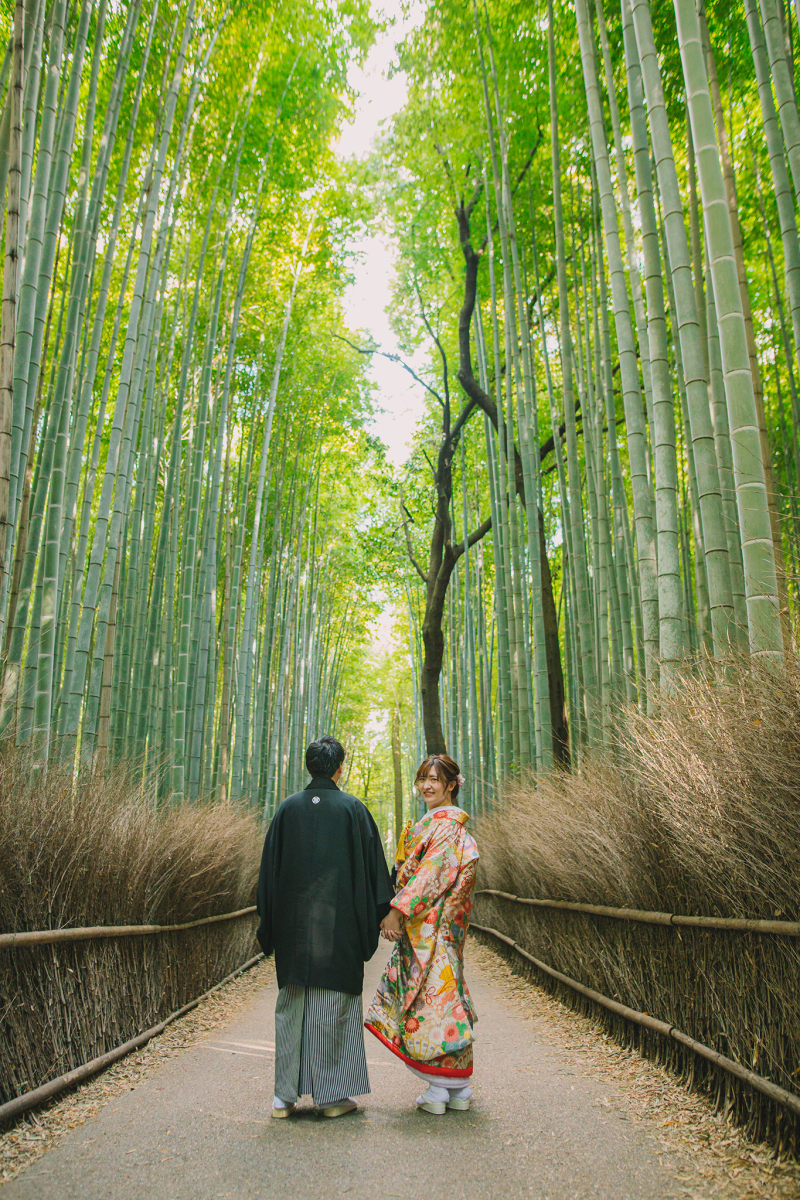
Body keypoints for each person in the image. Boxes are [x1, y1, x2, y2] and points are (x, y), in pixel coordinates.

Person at [256, 735, 393, 1119]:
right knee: (333, 1005)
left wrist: (270, 925)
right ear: (338, 768)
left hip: (293, 930)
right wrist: (383, 911)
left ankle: (283, 1097)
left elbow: (269, 872)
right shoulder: (353, 809)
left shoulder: (288, 809)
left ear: (308, 766)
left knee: (292, 1006)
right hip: (340, 928)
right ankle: (332, 1098)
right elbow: (373, 873)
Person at [365, 754, 479, 1116]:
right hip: (439, 926)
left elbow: (430, 875)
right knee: (449, 1001)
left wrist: (397, 912)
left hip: (431, 927)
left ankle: (439, 1089)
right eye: (422, 779)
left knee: (433, 1002)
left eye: (435, 779)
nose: (427, 785)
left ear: (451, 785)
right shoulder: (442, 825)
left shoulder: (445, 827)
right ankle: (458, 1087)